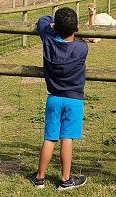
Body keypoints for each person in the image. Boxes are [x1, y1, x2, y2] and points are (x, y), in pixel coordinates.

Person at [30, 7, 88, 190]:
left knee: (50, 138)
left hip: (53, 97)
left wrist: (51, 22)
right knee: (67, 138)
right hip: (74, 99)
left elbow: (42, 21)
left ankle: (39, 178)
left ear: (56, 27)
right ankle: (65, 179)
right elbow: (76, 43)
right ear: (76, 27)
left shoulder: (48, 39)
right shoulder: (82, 47)